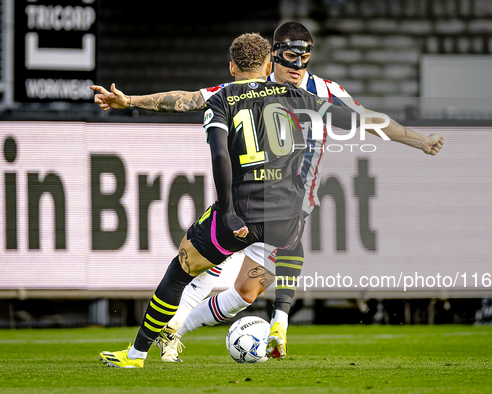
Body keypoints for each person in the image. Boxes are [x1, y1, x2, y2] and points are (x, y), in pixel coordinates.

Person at [92, 22, 444, 363]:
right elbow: (185, 99)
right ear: (271, 58)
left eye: (304, 58)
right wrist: (133, 100)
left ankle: (171, 333)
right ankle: (189, 330)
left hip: (286, 207)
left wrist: (418, 139)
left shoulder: (318, 91)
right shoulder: (278, 94)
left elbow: (364, 120)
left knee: (243, 290)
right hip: (264, 207)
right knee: (206, 269)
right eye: (290, 56)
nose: (297, 65)